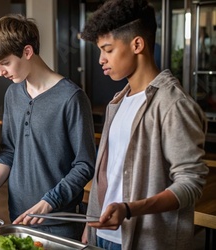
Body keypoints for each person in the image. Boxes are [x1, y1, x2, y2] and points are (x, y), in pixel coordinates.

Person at [80, 0, 208, 249]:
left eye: (107, 49)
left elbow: (190, 183)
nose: (101, 60)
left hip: (145, 240)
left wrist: (129, 209)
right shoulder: (117, 102)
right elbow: (108, 175)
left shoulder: (173, 104)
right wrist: (90, 221)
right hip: (103, 234)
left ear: (137, 44)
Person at [0, 14, 96, 240]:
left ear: (27, 52)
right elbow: (9, 151)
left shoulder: (71, 97)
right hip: (19, 217)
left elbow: (85, 164)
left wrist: (50, 201)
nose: (1, 72)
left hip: (59, 221)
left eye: (5, 63)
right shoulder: (13, 93)